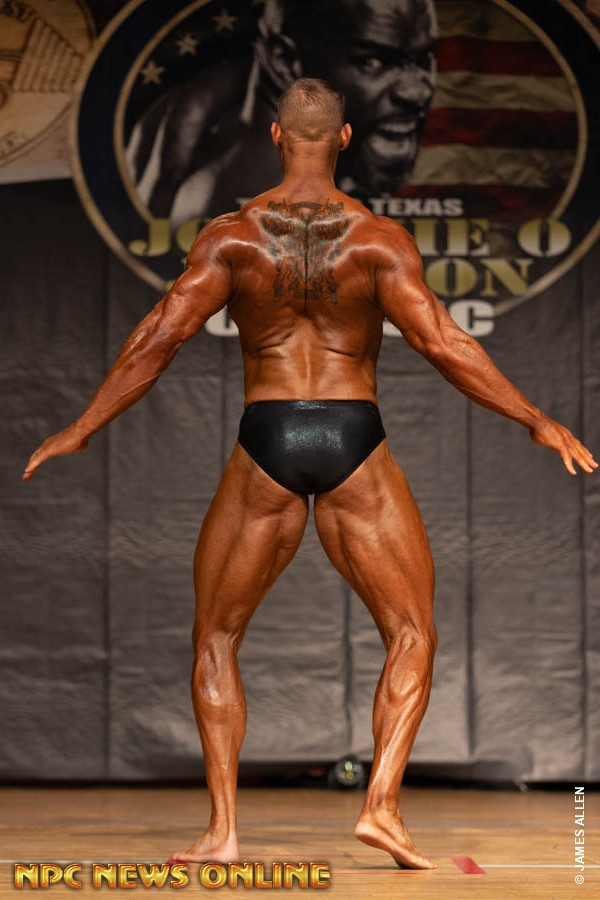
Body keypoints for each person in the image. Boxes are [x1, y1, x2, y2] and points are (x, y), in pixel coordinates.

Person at [24, 78, 597, 869]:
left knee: (216, 637)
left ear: (274, 135)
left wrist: (84, 426)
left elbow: (161, 334)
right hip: (352, 432)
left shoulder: (232, 238)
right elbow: (442, 342)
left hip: (268, 433)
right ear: (347, 137)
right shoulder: (378, 241)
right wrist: (534, 417)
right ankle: (382, 807)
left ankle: (223, 832)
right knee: (412, 633)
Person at [127, 0, 437, 224]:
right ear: (285, 63)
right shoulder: (236, 192)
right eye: (372, 62)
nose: (417, 93)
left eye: (422, 61)